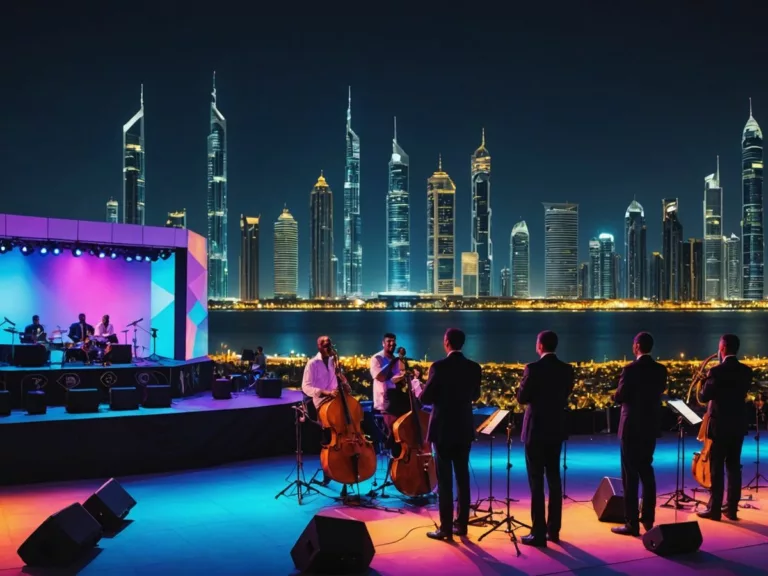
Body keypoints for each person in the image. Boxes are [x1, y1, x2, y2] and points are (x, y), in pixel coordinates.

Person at [417, 328, 481, 541]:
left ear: (446, 342)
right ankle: (461, 525)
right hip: (463, 428)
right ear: (462, 343)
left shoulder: (438, 367)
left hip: (443, 429)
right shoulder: (474, 368)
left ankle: (445, 528)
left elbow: (425, 398)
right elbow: (475, 395)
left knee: (445, 480)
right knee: (463, 478)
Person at [516, 330, 574, 547]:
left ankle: (538, 532)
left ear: (540, 345)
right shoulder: (566, 370)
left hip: (535, 431)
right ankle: (554, 530)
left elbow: (523, 398)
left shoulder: (532, 369)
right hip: (556, 430)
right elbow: (565, 393)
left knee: (536, 482)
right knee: (555, 480)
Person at [611, 332, 667, 536]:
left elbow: (621, 396)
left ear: (636, 346)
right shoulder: (661, 370)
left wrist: (616, 394)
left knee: (630, 475)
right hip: (650, 427)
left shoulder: (630, 369)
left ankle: (631, 522)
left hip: (631, 427)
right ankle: (648, 518)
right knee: (647, 470)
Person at [696, 334, 753, 522]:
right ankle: (732, 509)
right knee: (734, 467)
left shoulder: (716, 371)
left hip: (719, 425)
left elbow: (704, 397)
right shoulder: (746, 371)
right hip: (737, 425)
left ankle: (714, 509)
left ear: (723, 348)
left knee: (716, 467)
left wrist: (703, 381)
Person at [301, 335, 351, 485]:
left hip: (336, 403)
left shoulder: (333, 361)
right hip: (322, 403)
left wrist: (345, 384)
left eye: (330, 345)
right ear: (319, 347)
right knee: (327, 439)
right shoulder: (312, 363)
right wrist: (325, 392)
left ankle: (346, 468)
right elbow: (306, 387)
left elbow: (339, 378)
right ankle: (327, 472)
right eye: (325, 345)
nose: (328, 348)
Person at [370, 334, 410, 457]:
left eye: (394, 342)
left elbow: (398, 380)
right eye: (389, 341)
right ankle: (394, 453)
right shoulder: (377, 358)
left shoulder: (398, 360)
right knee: (395, 430)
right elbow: (380, 377)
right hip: (385, 403)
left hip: (397, 400)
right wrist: (393, 362)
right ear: (383, 343)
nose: (392, 344)